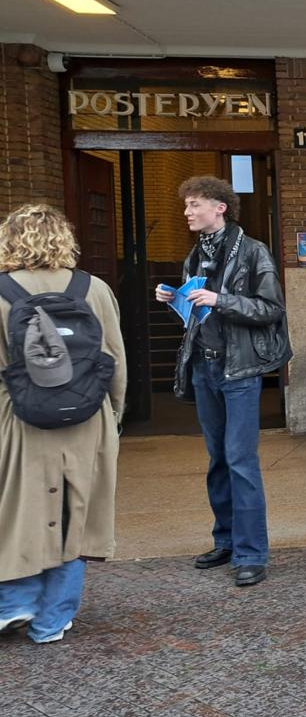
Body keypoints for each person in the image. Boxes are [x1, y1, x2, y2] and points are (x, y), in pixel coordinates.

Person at [155, 176, 291, 587]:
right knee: (217, 460)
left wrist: (221, 300)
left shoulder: (253, 252)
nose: (187, 212)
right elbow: (196, 314)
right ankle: (227, 540)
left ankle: (252, 554)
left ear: (220, 207)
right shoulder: (197, 255)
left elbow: (271, 307)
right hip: (205, 368)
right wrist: (175, 299)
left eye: (194, 204)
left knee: (241, 461)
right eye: (187, 205)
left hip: (240, 370)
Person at [0, 204, 126, 643]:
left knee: (17, 511)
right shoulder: (94, 289)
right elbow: (115, 362)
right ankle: (52, 620)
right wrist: (112, 417)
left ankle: (14, 601)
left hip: (16, 420)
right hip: (87, 416)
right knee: (79, 515)